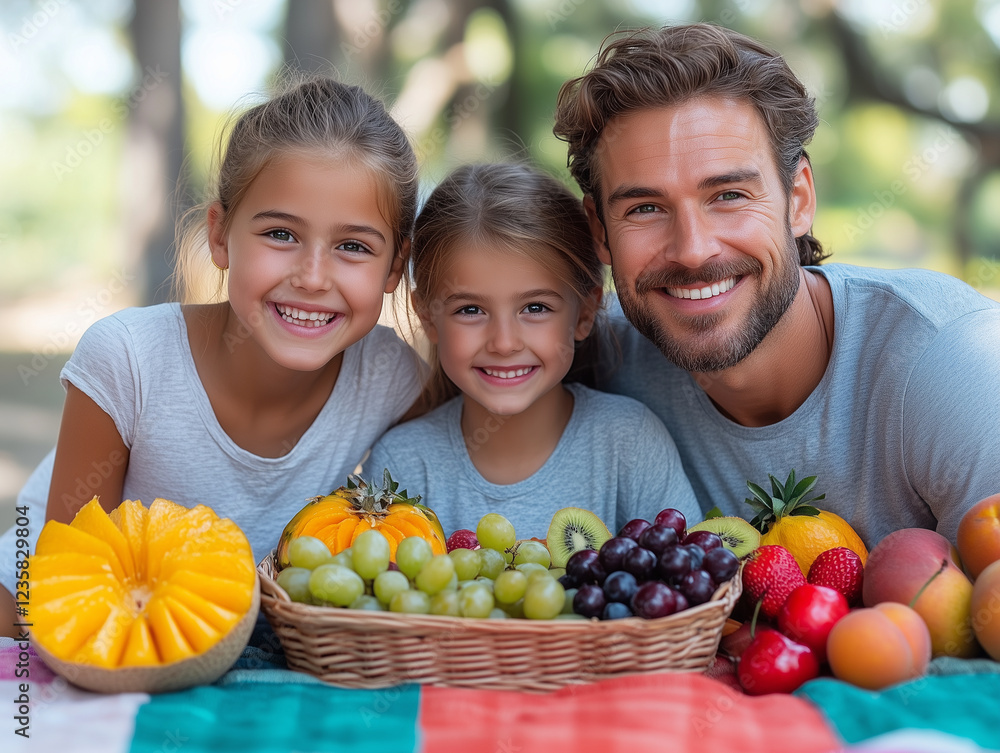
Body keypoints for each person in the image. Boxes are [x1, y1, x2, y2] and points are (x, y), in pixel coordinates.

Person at [0, 77, 425, 635]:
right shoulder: (129, 361)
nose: (313, 277)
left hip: (219, 652)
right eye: (280, 234)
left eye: (353, 247)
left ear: (395, 267)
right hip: (41, 633)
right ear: (221, 236)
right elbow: (67, 593)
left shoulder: (392, 376)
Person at [552, 23, 1000, 548]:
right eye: (645, 208)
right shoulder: (585, 355)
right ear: (599, 232)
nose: (693, 249)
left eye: (729, 195)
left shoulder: (949, 365)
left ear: (799, 200)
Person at [363, 162, 699, 540]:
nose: (504, 343)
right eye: (470, 310)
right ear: (428, 317)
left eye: (535, 308)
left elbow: (690, 573)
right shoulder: (403, 463)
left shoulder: (630, 442)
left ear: (584, 313)